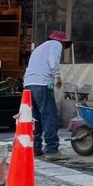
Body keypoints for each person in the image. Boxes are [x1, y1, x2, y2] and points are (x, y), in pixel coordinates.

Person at [23, 30, 72, 160]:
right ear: (61, 41)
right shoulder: (56, 44)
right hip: (42, 83)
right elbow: (53, 60)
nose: (63, 47)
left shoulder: (39, 48)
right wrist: (57, 76)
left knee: (35, 118)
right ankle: (52, 150)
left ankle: (35, 148)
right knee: (50, 115)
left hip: (28, 84)